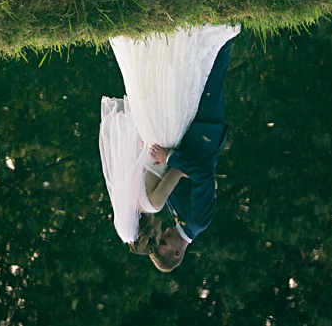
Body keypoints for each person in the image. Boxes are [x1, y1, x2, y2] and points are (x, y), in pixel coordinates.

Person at [98, 23, 241, 270]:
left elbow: (181, 174)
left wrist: (174, 162)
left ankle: (208, 26)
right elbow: (204, 176)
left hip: (188, 133)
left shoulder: (172, 214)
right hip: (205, 134)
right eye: (163, 244)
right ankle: (226, 25)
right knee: (212, 78)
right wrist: (173, 160)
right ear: (177, 252)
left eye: (156, 242)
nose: (161, 236)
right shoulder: (198, 222)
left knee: (198, 75)